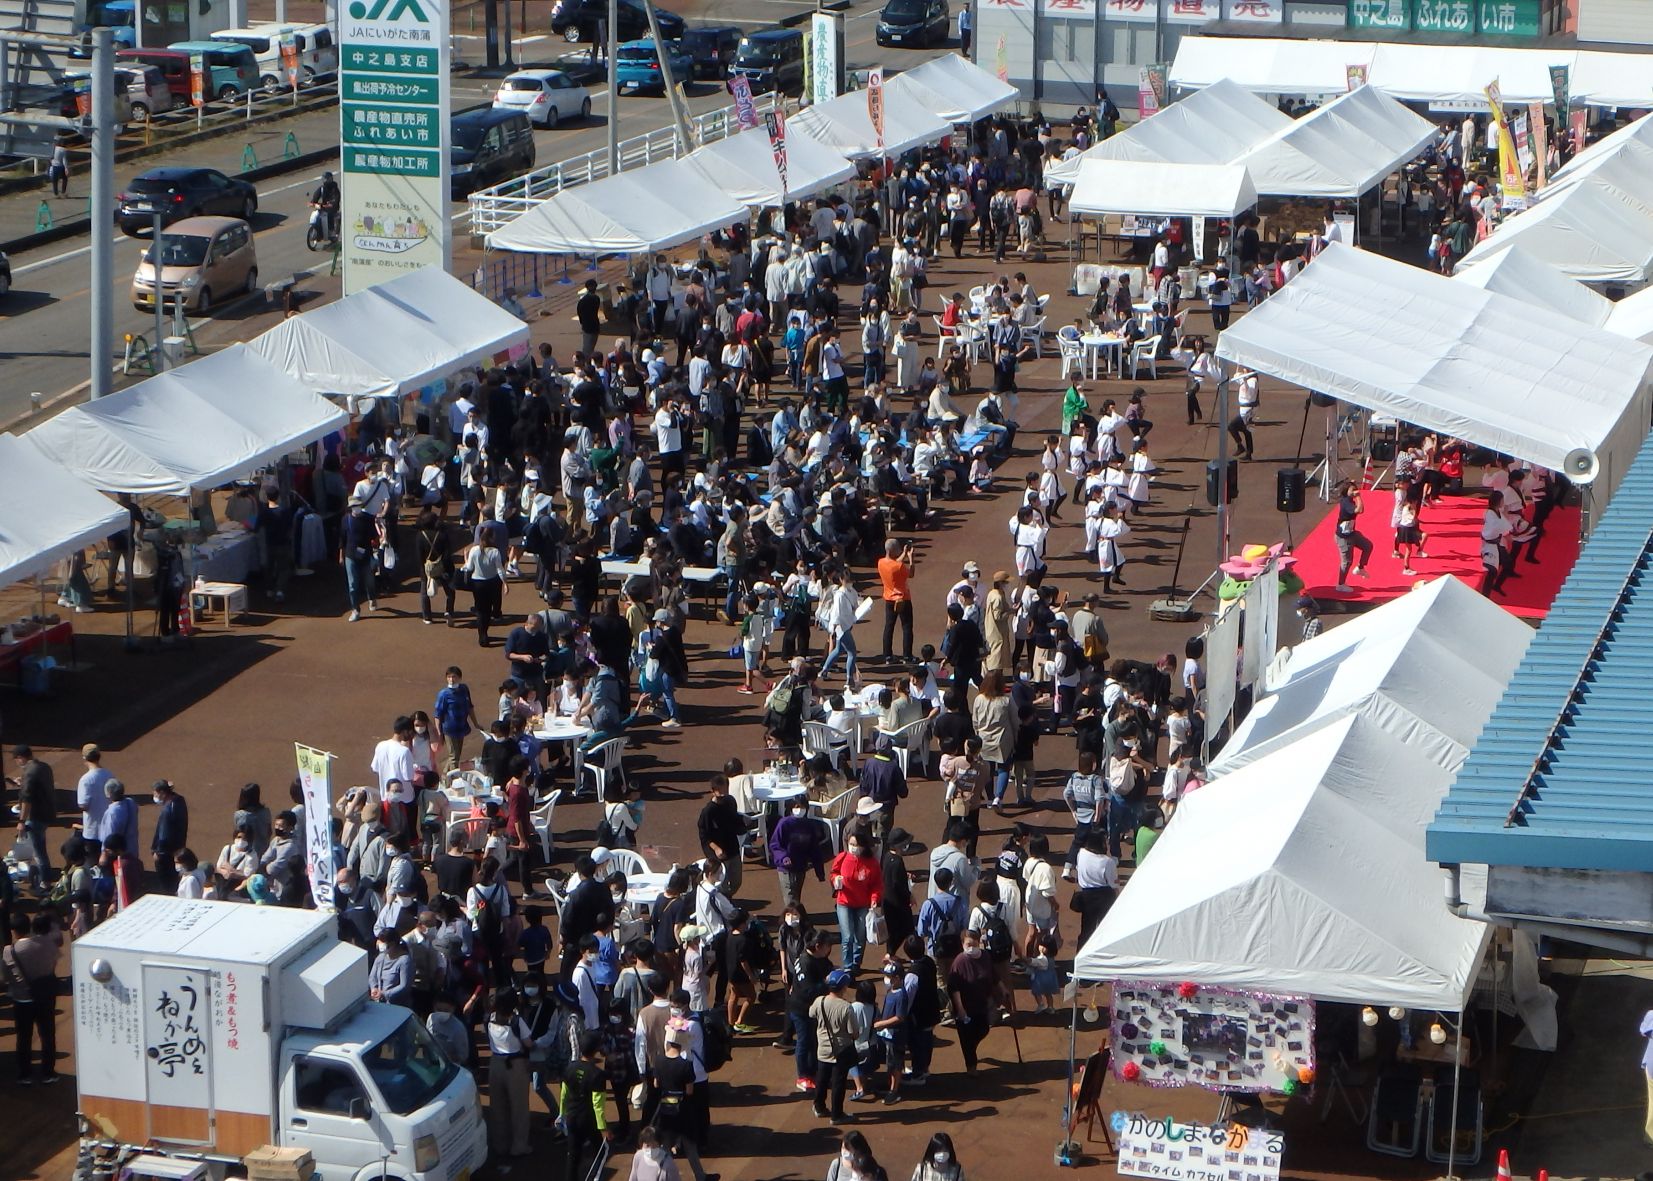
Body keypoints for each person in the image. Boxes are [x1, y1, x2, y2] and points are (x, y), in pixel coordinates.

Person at [809, 968, 860, 1123]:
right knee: (838, 1083)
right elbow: (854, 1033)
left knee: (822, 1079)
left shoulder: (819, 1001)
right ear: (844, 987)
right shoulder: (846, 1007)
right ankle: (837, 1115)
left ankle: (819, 1106)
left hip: (823, 1048)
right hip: (841, 1051)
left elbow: (811, 1014)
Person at [560, 1031, 613, 1181]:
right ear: (596, 1050)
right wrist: (603, 1128)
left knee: (573, 1155)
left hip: (571, 1116)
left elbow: (564, 1094)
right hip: (589, 1120)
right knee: (601, 1152)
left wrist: (562, 1115)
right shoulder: (597, 1074)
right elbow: (598, 1105)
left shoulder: (569, 1068)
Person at [830, 833, 882, 974]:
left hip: (862, 904)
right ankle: (847, 967)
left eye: (856, 845)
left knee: (860, 936)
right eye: (851, 844)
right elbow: (833, 873)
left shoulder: (871, 864)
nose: (853, 848)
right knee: (847, 937)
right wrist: (835, 880)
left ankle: (856, 963)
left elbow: (876, 884)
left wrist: (874, 899)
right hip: (844, 902)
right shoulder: (842, 858)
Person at [8, 745, 56, 890]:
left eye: (17, 759)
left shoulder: (29, 772)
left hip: (35, 816)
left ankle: (45, 883)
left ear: (21, 758)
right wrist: (22, 783)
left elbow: (27, 799)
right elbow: (38, 787)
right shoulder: (44, 767)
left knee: (38, 851)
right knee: (40, 847)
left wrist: (21, 821)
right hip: (48, 812)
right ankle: (45, 876)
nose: (17, 762)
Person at [1333, 479, 1374, 591]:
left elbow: (1361, 509)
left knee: (1368, 546)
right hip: (1343, 537)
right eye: (1353, 490)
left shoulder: (1351, 500)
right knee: (1347, 561)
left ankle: (1360, 568)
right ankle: (1340, 584)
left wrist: (1356, 495)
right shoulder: (1346, 502)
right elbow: (1359, 510)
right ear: (1347, 492)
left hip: (1351, 533)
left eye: (1356, 489)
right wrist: (1358, 496)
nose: (1355, 491)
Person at [150, 779, 189, 893]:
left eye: (155, 793)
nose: (154, 795)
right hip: (178, 847)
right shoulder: (179, 800)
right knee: (175, 878)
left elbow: (164, 835)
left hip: (166, 854)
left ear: (162, 793)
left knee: (167, 884)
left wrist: (159, 852)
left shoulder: (167, 810)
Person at [310, 170, 340, 241]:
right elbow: (315, 197)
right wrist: (313, 203)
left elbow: (337, 198)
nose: (326, 180)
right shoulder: (321, 188)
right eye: (324, 179)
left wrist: (332, 204)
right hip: (323, 207)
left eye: (327, 178)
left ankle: (331, 232)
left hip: (332, 208)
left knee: (330, 215)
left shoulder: (334, 188)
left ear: (331, 179)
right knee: (316, 214)